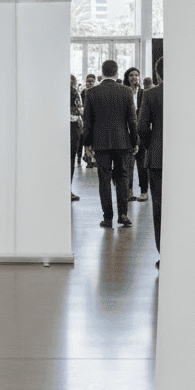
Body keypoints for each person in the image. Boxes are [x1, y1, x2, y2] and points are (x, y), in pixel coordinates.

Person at [82, 59, 138, 228]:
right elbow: (132, 120)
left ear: (102, 72)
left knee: (104, 179)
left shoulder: (91, 92)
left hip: (100, 143)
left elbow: (88, 121)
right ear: (116, 72)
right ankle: (123, 215)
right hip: (122, 142)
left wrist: (87, 144)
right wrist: (135, 141)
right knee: (122, 177)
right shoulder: (126, 91)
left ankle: (107, 218)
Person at [138, 56, 164, 267]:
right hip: (185, 160)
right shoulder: (188, 94)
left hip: (157, 158)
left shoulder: (151, 94)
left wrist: (151, 145)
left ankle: (164, 253)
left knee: (159, 207)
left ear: (157, 74)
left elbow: (142, 127)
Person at [123, 67, 149, 203]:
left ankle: (144, 191)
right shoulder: (124, 92)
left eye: (136, 75)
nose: (134, 77)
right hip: (127, 133)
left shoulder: (144, 93)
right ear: (127, 78)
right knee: (128, 164)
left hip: (141, 132)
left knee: (142, 164)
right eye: (131, 75)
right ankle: (129, 191)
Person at [69, 75, 82, 201]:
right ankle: (68, 190)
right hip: (72, 127)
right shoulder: (73, 91)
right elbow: (79, 110)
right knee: (70, 160)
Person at [81, 74, 97, 167]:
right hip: (85, 118)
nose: (90, 83)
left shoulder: (96, 92)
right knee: (86, 138)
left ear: (94, 82)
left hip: (95, 119)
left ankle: (94, 159)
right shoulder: (83, 92)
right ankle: (88, 159)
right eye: (88, 81)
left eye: (92, 81)